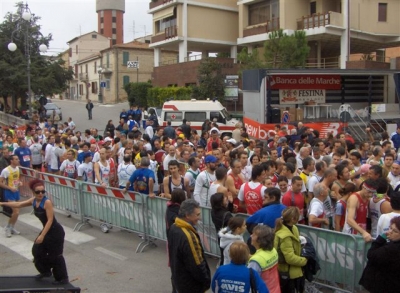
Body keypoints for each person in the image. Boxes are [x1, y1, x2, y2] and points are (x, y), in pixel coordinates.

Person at [0, 179, 69, 284]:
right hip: (47, 231)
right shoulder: (33, 201)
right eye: (38, 192)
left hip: (55, 232)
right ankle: (46, 271)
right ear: (33, 192)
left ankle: (62, 278)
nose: (40, 194)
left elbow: (50, 220)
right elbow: (18, 205)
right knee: (36, 251)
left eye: (42, 191)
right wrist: (2, 203)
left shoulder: (47, 202)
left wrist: (42, 236)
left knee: (56, 255)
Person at [168, 199, 211, 293]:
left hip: (178, 280)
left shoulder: (174, 227)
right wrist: (206, 281)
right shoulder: (189, 236)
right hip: (191, 285)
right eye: (197, 215)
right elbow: (197, 264)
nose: (199, 218)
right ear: (187, 215)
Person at [359, 216, 400, 293]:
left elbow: (371, 255)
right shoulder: (393, 244)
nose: (390, 231)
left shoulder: (391, 248)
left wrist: (380, 239)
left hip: (384, 284)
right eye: (390, 228)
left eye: (395, 231)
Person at [274, 207, 308, 293]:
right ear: (293, 219)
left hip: (293, 270)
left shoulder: (294, 228)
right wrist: (304, 261)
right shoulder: (285, 236)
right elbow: (290, 258)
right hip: (287, 272)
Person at [249, 225, 280, 293]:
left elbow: (250, 282)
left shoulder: (255, 261)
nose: (251, 236)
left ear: (260, 241)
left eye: (254, 235)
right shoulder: (273, 251)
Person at [0, 155, 23, 237]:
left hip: (16, 192)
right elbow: (0, 182)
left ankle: (11, 227)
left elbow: (16, 179)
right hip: (9, 193)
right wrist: (9, 188)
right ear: (11, 161)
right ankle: (8, 228)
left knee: (16, 213)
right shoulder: (6, 170)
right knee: (16, 211)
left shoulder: (17, 168)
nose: (18, 160)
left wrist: (19, 183)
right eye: (16, 159)